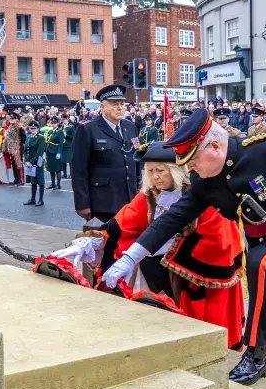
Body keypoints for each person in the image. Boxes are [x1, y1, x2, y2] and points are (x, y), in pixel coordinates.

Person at [102, 110, 266, 385]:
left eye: (193, 160)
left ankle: (257, 355)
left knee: (260, 263)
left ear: (215, 146)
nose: (190, 169)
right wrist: (132, 256)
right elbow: (174, 217)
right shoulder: (205, 181)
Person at [65, 142, 245, 346]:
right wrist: (91, 240)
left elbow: (218, 239)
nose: (154, 176)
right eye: (150, 171)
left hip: (191, 279)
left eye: (160, 170)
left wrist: (169, 253)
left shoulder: (200, 194)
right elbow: (125, 221)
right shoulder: (151, 195)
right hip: (156, 270)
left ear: (176, 171)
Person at [72, 84, 141, 273]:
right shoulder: (89, 130)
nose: (120, 108)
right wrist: (82, 203)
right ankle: (104, 280)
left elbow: (135, 161)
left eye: (122, 104)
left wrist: (140, 190)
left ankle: (123, 280)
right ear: (102, 107)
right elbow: (79, 169)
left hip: (129, 198)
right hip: (104, 200)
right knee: (106, 247)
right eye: (114, 104)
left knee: (127, 244)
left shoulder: (129, 127)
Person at [23, 121, 46, 206]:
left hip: (37, 162)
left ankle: (41, 200)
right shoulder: (28, 137)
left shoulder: (40, 138)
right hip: (29, 162)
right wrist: (26, 161)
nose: (33, 130)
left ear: (38, 129)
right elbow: (25, 151)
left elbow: (39, 152)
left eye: (34, 128)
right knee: (33, 181)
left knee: (40, 181)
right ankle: (33, 199)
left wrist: (32, 161)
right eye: (31, 128)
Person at [2, 111, 25, 186]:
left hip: (17, 147)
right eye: (10, 118)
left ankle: (21, 180)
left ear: (16, 119)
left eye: (12, 118)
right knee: (14, 164)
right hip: (11, 148)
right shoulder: (10, 125)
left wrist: (20, 144)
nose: (10, 119)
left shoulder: (19, 126)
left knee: (19, 164)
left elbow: (23, 137)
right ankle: (16, 179)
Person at [44, 116, 64, 190]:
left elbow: (61, 143)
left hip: (55, 152)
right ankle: (53, 184)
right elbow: (47, 142)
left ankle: (58, 185)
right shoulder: (50, 131)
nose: (53, 125)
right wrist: (45, 151)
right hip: (49, 151)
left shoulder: (60, 132)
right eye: (52, 123)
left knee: (57, 169)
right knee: (51, 169)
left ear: (57, 123)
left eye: (54, 123)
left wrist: (59, 153)